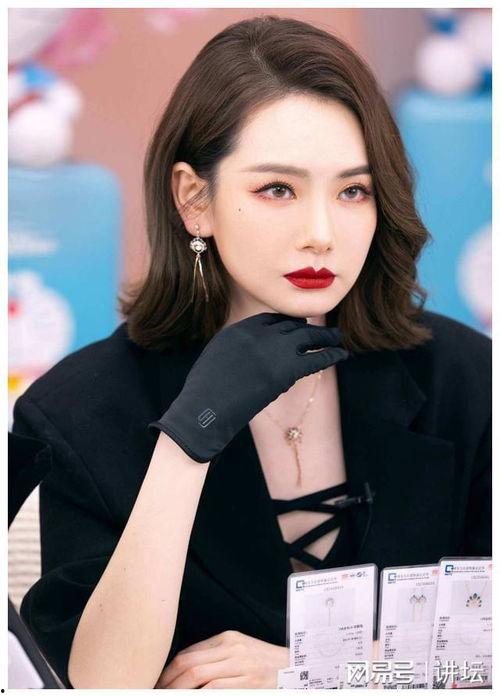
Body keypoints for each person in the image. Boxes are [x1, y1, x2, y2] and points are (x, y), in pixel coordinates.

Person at [12, 14, 491, 689]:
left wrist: (315, 671)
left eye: (352, 190)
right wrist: (187, 440)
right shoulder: (81, 409)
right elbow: (104, 683)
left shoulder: (464, 378)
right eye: (277, 189)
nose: (321, 233)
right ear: (195, 200)